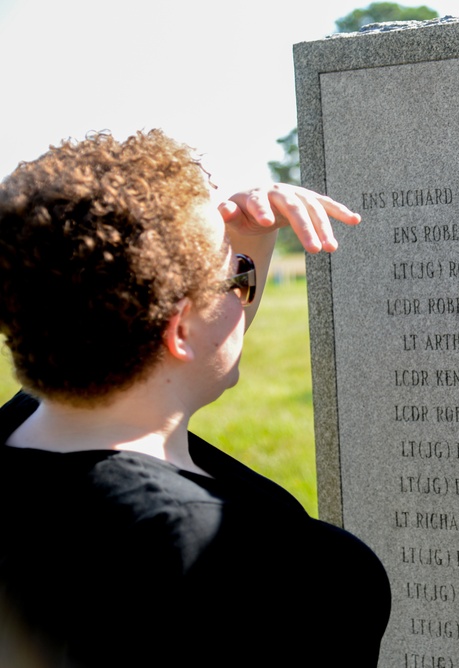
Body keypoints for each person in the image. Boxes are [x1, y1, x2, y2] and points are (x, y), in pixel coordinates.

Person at [0, 130, 390, 666]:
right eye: (235, 277)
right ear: (178, 327)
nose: (243, 284)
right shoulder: (229, 559)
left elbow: (188, 349)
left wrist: (243, 240)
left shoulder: (31, 426)